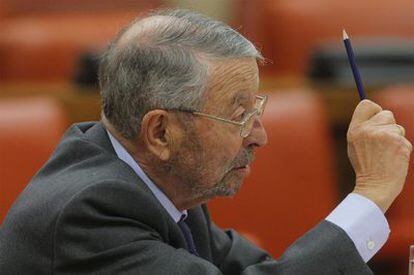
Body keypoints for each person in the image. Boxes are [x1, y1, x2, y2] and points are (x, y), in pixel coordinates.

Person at [0, 9, 412, 274]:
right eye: (240, 117)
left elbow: (271, 269)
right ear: (160, 132)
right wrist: (370, 196)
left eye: (258, 110)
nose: (261, 136)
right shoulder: (89, 214)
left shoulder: (161, 186)